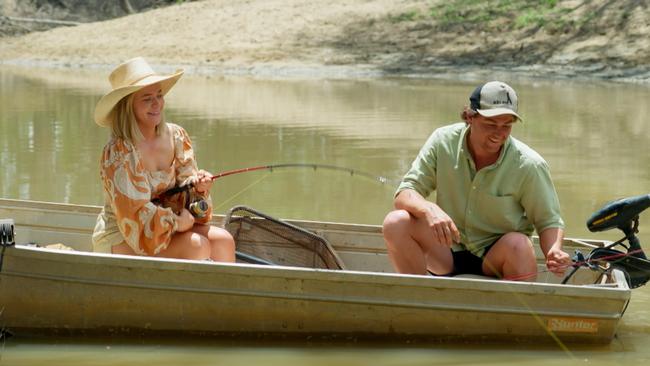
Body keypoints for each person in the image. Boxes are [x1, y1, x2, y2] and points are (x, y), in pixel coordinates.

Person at [382, 81, 571, 280]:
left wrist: (554, 251)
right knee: (396, 222)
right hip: (447, 250)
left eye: (506, 125)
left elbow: (548, 220)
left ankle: (515, 310)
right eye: (491, 124)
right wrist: (430, 210)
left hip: (499, 258)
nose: (499, 134)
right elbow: (406, 191)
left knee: (519, 244)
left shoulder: (530, 164)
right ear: (470, 117)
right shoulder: (442, 141)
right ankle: (417, 303)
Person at [91, 57, 236, 262]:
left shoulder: (177, 137)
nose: (157, 103)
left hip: (168, 224)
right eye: (147, 98)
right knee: (196, 246)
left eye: (159, 95)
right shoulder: (119, 152)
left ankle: (224, 294)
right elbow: (134, 216)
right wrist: (176, 223)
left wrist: (200, 190)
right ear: (127, 106)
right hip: (125, 234)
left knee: (224, 241)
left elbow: (191, 203)